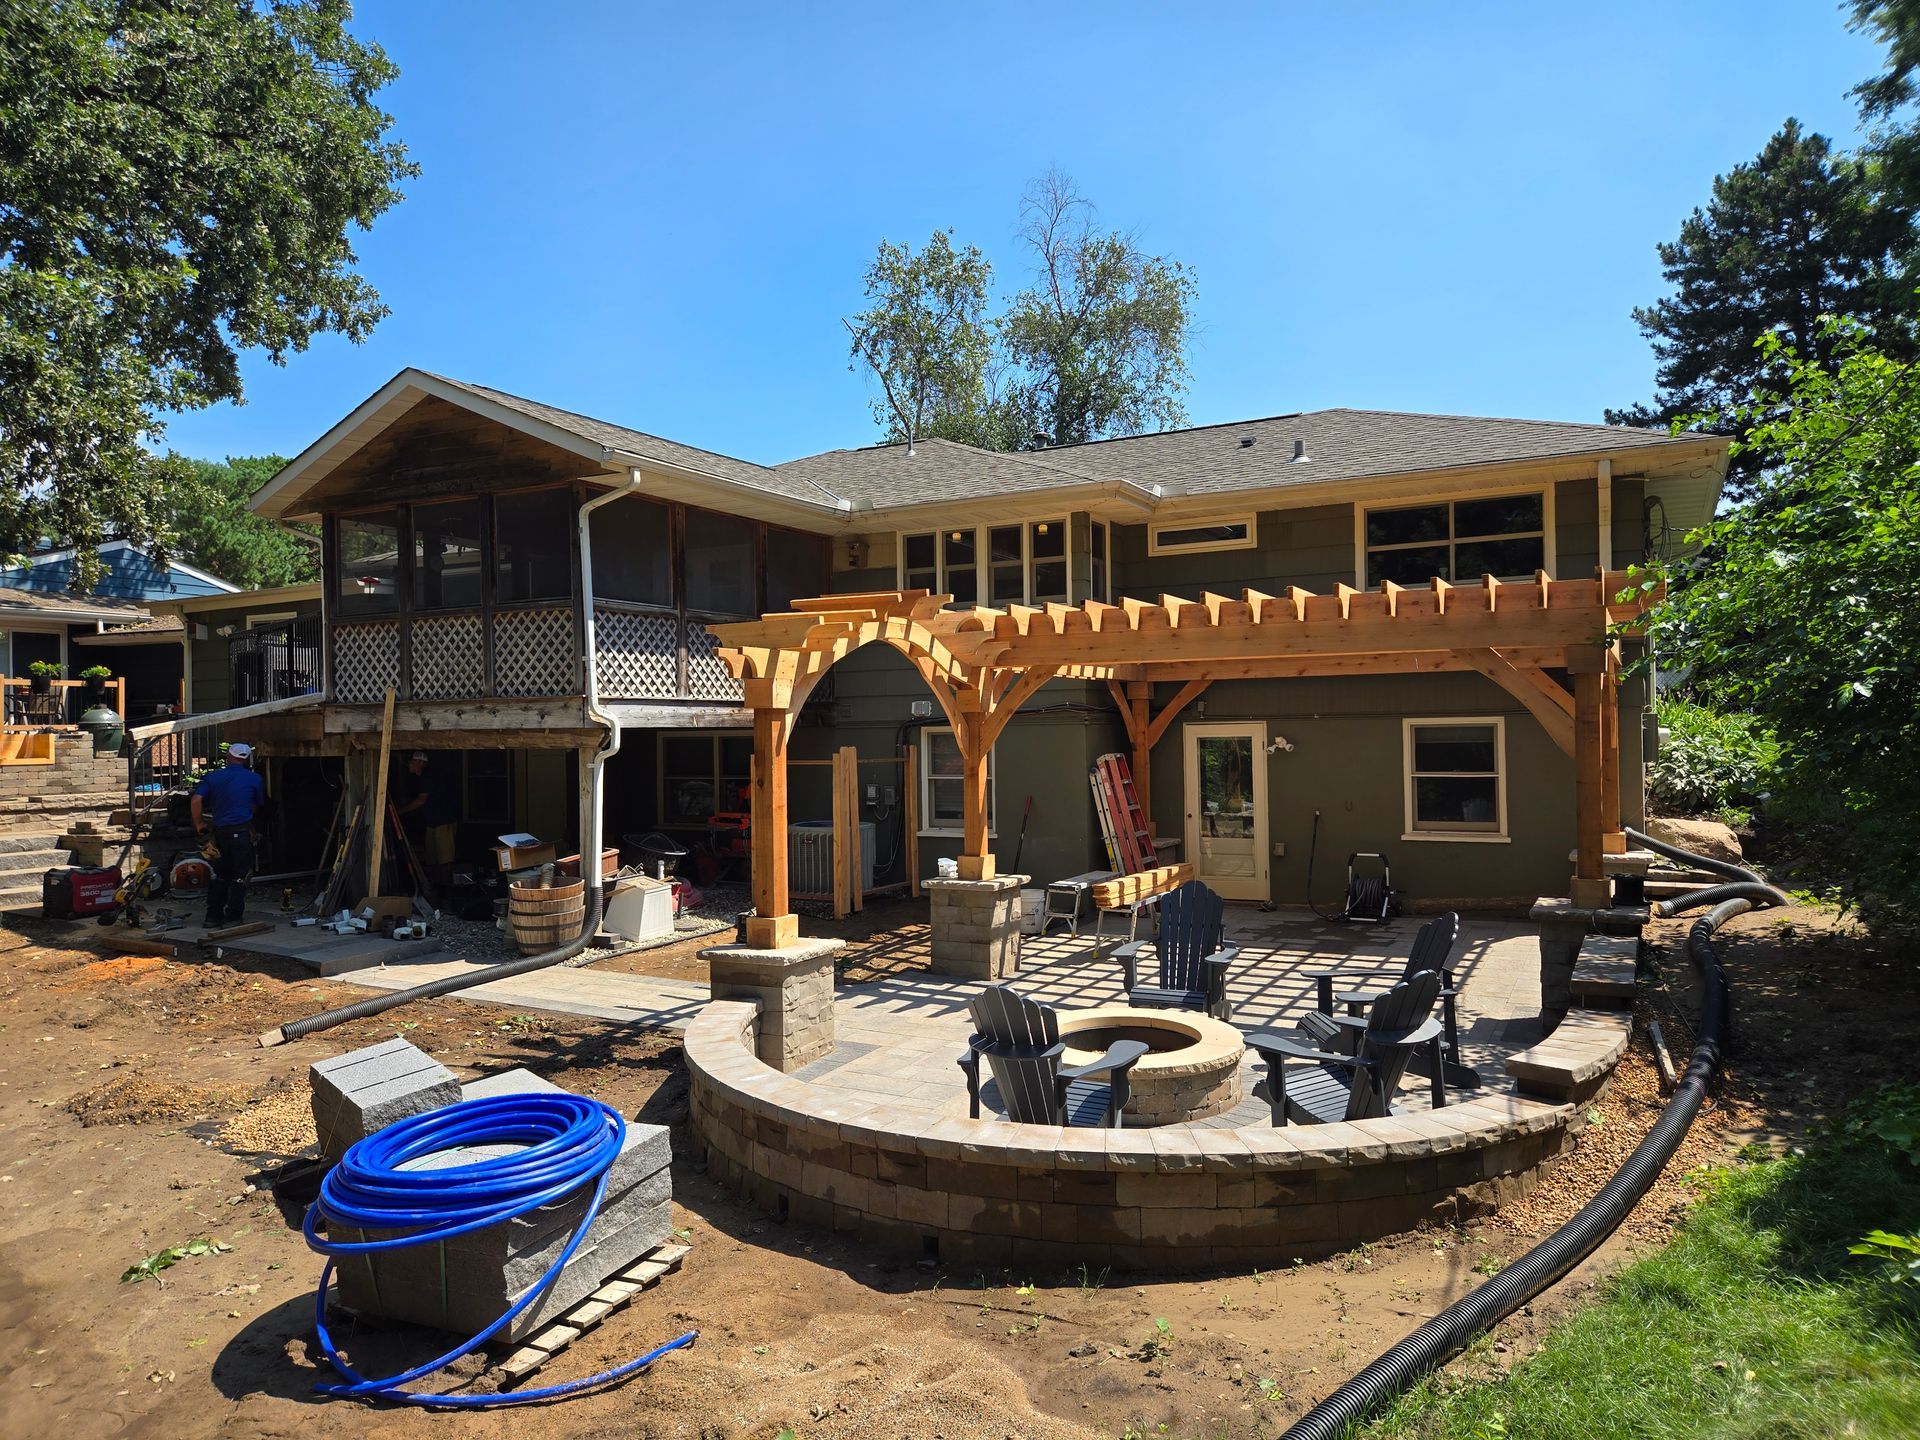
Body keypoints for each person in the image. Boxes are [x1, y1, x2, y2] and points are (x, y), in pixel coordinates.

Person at [190, 741, 266, 928]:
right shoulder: (254, 779)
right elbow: (256, 806)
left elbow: (196, 800)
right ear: (246, 759)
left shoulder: (213, 777)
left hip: (220, 834)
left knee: (220, 875)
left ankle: (212, 917)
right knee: (239, 876)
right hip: (243, 832)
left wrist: (199, 823)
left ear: (228, 757)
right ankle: (233, 917)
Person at [395, 750, 459, 887]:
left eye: (411, 762)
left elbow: (420, 800)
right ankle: (435, 887)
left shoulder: (429, 776)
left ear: (420, 762)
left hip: (444, 823)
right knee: (433, 860)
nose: (409, 765)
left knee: (445, 860)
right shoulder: (422, 778)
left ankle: (446, 888)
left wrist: (398, 812)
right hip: (432, 823)